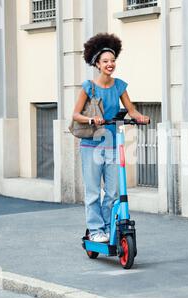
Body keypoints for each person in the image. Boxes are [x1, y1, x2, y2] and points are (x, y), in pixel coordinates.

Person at [73, 33, 150, 243]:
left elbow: (131, 109)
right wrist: (91, 120)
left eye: (112, 61)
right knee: (92, 192)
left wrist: (140, 117)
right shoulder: (88, 86)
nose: (110, 64)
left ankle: (108, 227)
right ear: (97, 64)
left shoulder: (119, 86)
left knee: (113, 192)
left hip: (113, 144)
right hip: (91, 144)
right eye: (105, 61)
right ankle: (95, 229)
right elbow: (75, 114)